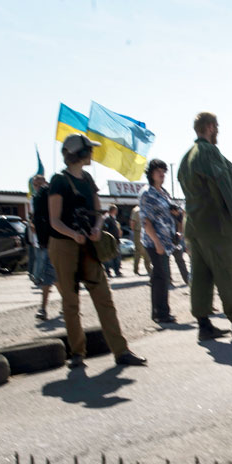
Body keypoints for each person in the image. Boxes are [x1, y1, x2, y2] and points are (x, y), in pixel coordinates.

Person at [47, 134, 146, 368]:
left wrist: (97, 228)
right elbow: (54, 221)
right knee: (71, 302)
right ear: (79, 153)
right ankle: (77, 353)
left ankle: (121, 351)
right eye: (89, 150)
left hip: (88, 246)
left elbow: (98, 213)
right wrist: (73, 234)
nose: (92, 153)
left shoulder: (88, 179)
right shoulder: (59, 181)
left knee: (104, 299)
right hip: (64, 246)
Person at [178, 112, 232, 342]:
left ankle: (204, 325)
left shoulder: (187, 157)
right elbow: (223, 185)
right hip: (215, 225)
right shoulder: (209, 152)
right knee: (228, 271)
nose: (217, 130)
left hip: (195, 225)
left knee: (200, 275)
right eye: (216, 126)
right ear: (209, 126)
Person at [139, 159, 178, 324]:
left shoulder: (163, 192)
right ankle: (161, 313)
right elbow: (146, 221)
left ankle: (159, 312)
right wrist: (157, 242)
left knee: (159, 277)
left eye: (163, 171)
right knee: (162, 276)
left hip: (166, 241)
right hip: (154, 241)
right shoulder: (147, 193)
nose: (162, 174)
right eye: (158, 171)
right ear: (151, 173)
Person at [29, 175, 56, 321]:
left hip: (54, 241)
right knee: (51, 275)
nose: (37, 187)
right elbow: (33, 218)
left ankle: (44, 309)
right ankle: (66, 305)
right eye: (35, 184)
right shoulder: (35, 199)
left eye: (39, 184)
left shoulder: (51, 196)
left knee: (50, 273)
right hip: (42, 241)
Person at [130, 204, 151, 276]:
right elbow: (133, 222)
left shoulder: (136, 210)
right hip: (141, 231)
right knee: (141, 251)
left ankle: (137, 269)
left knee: (139, 251)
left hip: (140, 231)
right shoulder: (139, 210)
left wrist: (133, 231)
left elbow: (132, 222)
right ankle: (147, 268)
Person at [102, 205, 123, 277]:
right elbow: (105, 228)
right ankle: (107, 272)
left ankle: (117, 271)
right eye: (116, 210)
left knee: (117, 256)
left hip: (116, 240)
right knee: (108, 257)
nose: (117, 211)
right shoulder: (107, 218)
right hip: (109, 240)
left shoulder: (113, 219)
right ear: (113, 210)